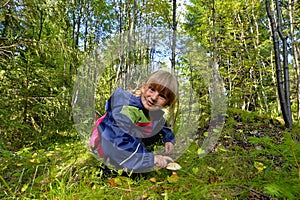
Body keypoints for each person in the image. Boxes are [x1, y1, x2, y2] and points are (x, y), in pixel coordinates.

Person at [90, 70, 179, 173]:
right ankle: (113, 166)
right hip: (106, 148)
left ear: (167, 104)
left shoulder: (154, 113)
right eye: (152, 89)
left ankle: (133, 161)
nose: (154, 98)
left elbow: (163, 126)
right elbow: (116, 140)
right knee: (116, 171)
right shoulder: (126, 108)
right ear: (143, 87)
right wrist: (150, 159)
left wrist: (168, 139)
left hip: (128, 149)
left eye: (162, 96)